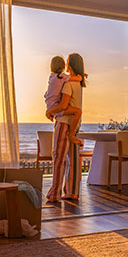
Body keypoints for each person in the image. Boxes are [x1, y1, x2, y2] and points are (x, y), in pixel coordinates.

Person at [46, 53, 87, 202]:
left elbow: (63, 105)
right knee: (73, 159)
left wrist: (49, 111)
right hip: (75, 124)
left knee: (59, 158)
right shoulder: (79, 84)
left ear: (70, 66)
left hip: (64, 122)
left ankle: (54, 194)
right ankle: (72, 191)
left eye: (68, 63)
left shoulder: (67, 84)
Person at [44, 55, 83, 146]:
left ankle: (52, 114)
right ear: (63, 67)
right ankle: (71, 135)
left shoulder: (53, 77)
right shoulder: (62, 78)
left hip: (50, 103)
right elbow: (78, 78)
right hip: (55, 106)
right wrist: (81, 75)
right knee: (78, 112)